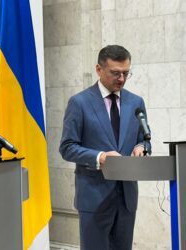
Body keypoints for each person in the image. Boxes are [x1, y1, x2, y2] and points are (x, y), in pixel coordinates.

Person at [59, 45, 151, 250]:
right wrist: (99, 156)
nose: (121, 79)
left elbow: (144, 139)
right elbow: (67, 147)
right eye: (115, 73)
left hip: (126, 198)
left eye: (126, 73)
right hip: (94, 197)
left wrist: (141, 147)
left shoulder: (136, 102)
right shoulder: (79, 103)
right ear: (99, 69)